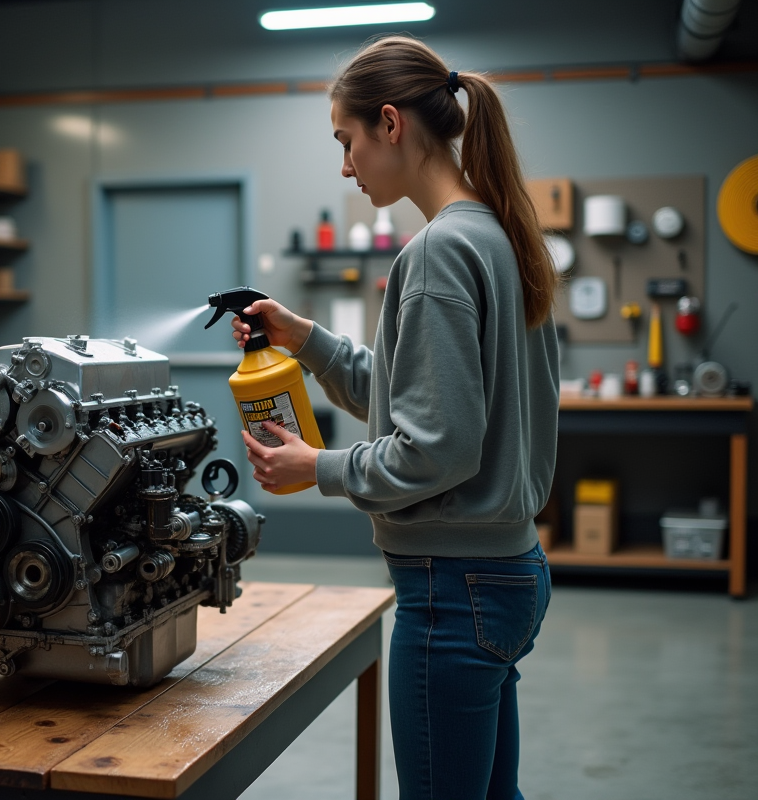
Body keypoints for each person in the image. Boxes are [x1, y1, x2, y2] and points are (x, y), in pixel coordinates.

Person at [231, 35, 560, 800]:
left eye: (345, 141)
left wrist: (318, 469)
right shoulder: (498, 232)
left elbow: (438, 447)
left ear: (388, 123)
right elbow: (422, 396)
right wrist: (307, 341)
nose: (344, 165)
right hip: (508, 570)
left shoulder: (438, 252)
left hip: (452, 589)